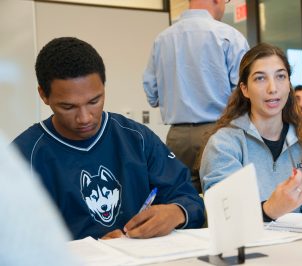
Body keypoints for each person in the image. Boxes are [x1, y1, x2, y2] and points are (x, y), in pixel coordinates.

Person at [12, 37, 205, 240]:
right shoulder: (22, 157)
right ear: (43, 95)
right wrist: (88, 250)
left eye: (94, 101)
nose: (85, 117)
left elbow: (188, 196)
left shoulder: (137, 139)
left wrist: (176, 212)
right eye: (68, 107)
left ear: (104, 85)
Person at [200, 43, 302, 221]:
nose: (273, 88)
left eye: (280, 76)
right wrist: (269, 209)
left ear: (288, 85)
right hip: (248, 247)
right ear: (245, 89)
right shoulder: (224, 144)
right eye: (260, 78)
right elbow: (225, 217)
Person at [143, 0, 249, 193]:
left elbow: (151, 94)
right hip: (220, 132)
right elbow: (246, 92)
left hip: (177, 137)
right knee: (224, 199)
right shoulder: (229, 36)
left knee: (181, 200)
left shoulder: (162, 39)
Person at [0, 132, 80, 266]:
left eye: (92, 108)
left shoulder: (127, 131)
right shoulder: (24, 151)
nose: (84, 119)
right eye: (68, 109)